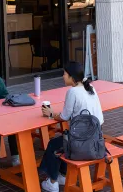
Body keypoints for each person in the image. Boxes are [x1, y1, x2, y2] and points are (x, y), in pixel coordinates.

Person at [39, 62, 104, 192]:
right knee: (63, 140)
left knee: (53, 145)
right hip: (97, 137)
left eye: (64, 73)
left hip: (82, 141)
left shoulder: (72, 91)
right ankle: (62, 175)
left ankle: (52, 182)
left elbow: (64, 116)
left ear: (72, 77)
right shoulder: (90, 87)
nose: (63, 76)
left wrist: (51, 113)